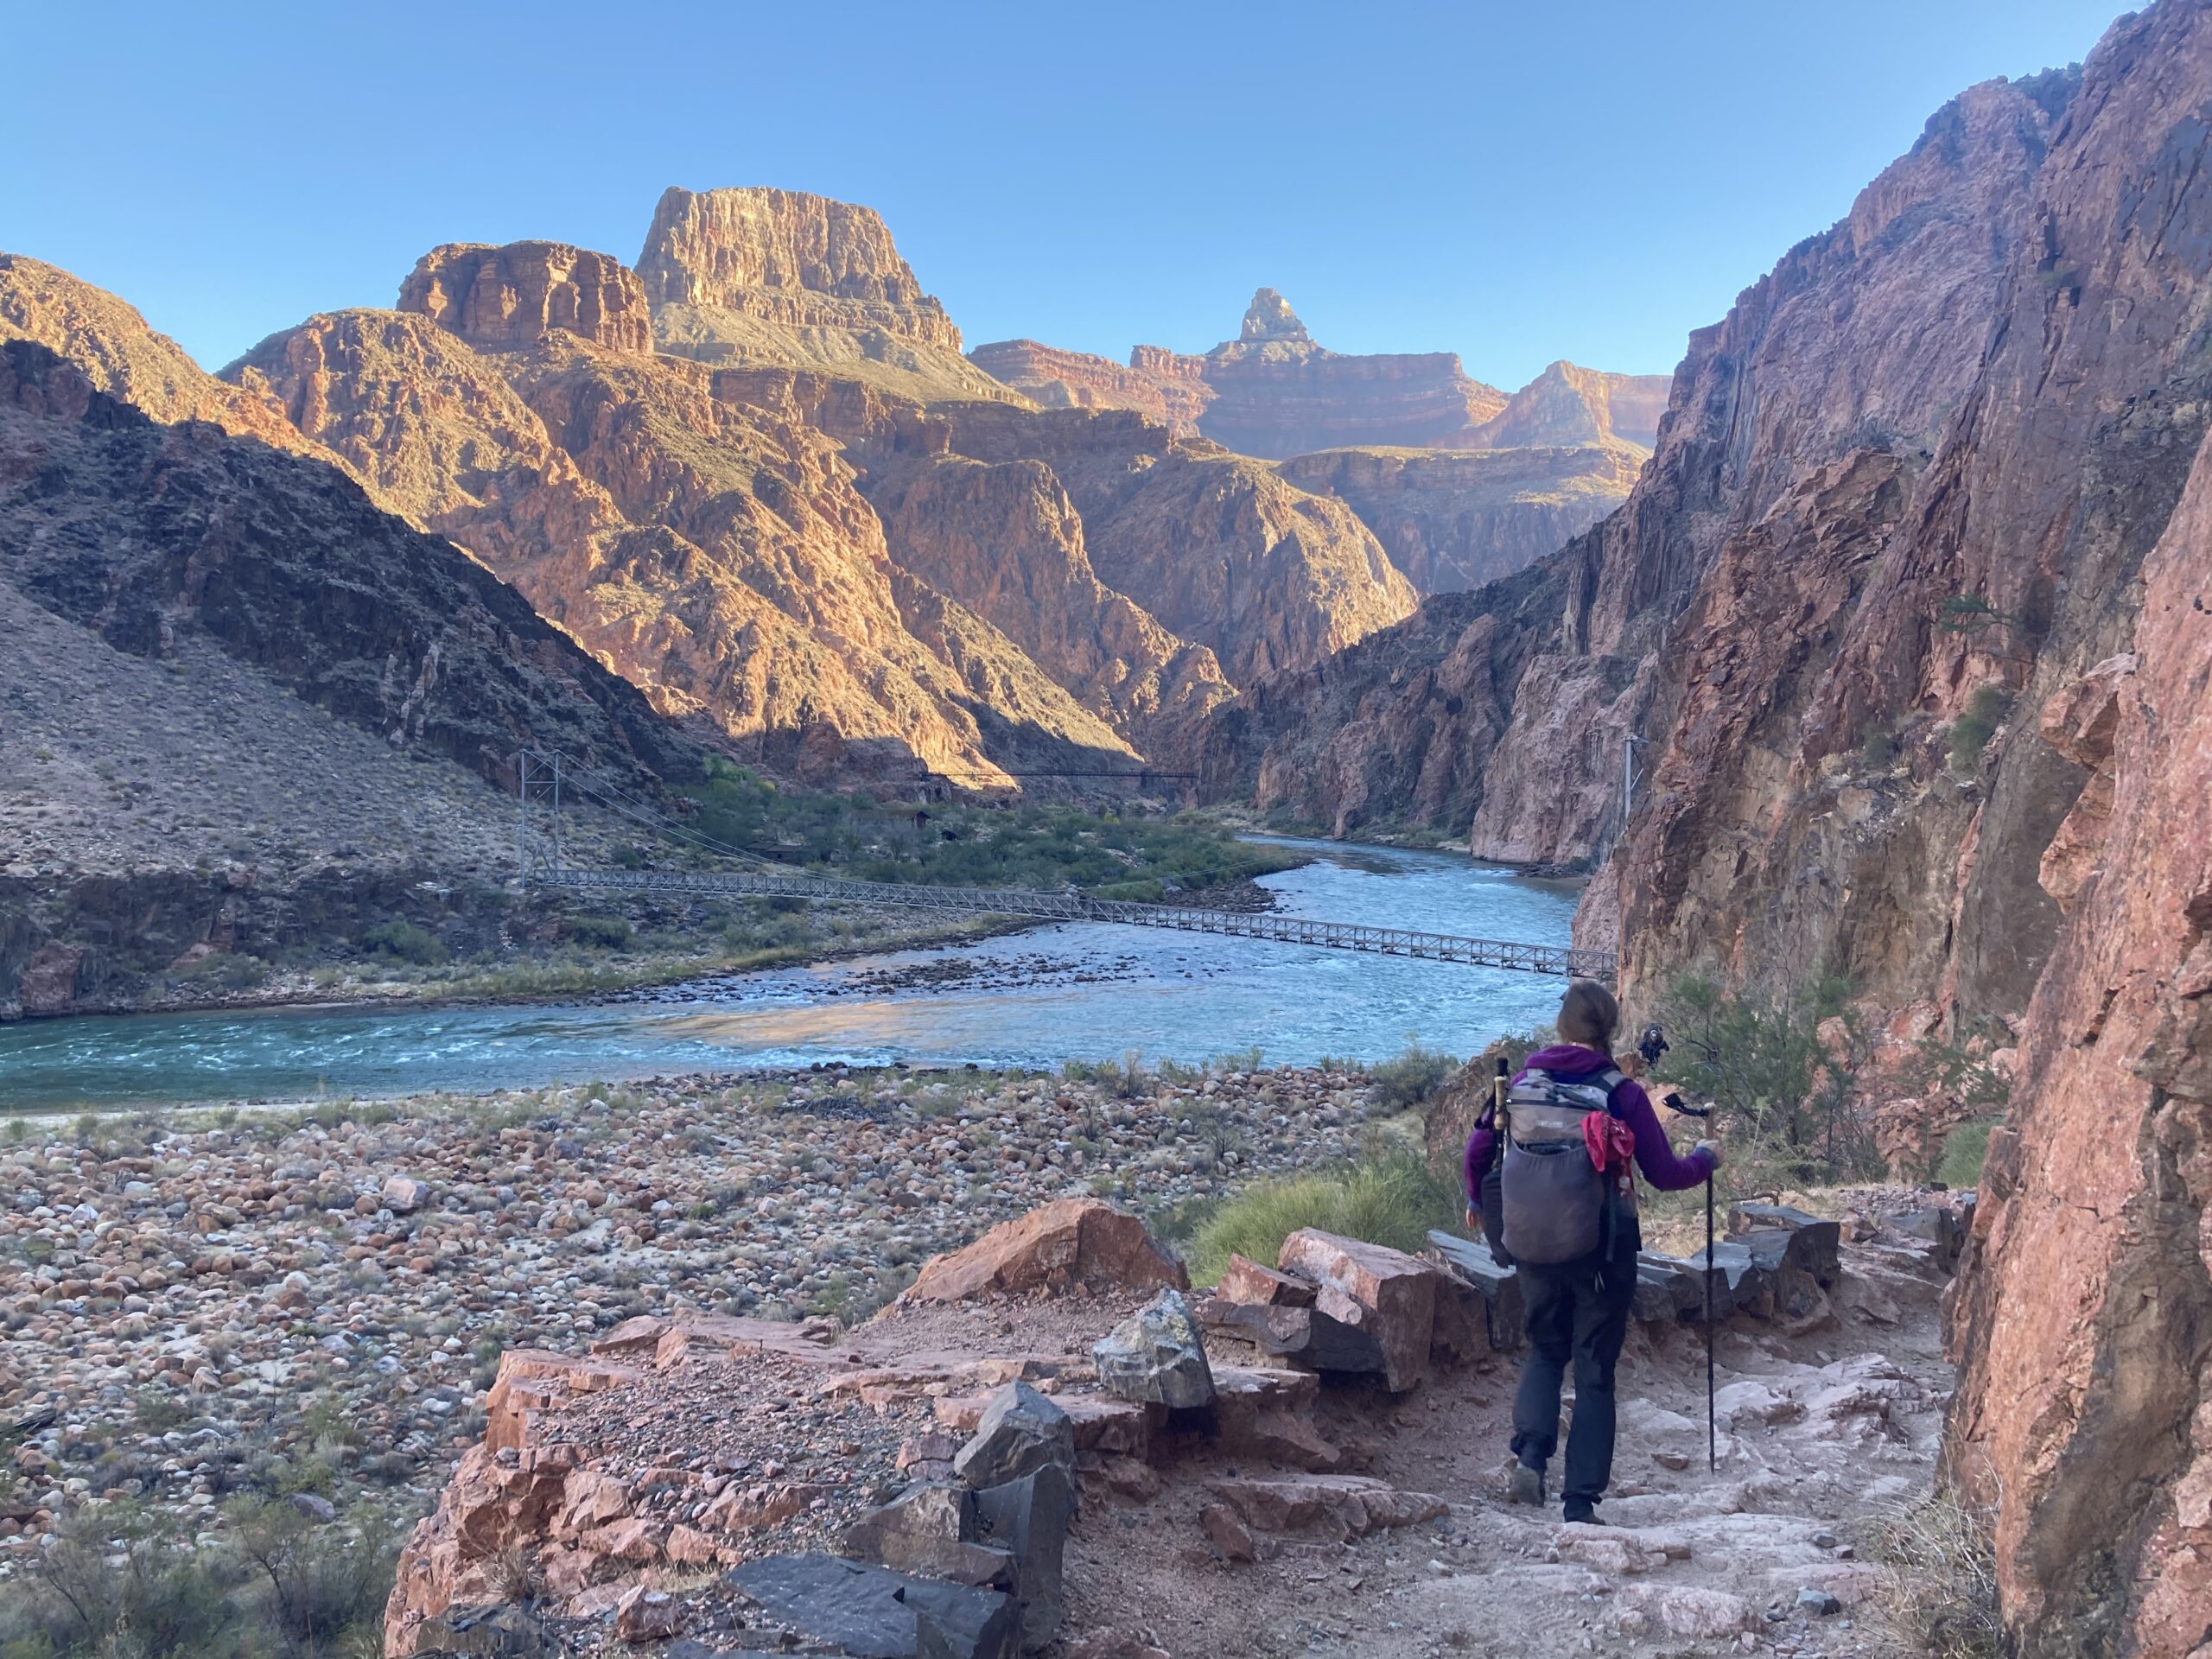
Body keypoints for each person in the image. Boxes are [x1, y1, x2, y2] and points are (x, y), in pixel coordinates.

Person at [1462, 980, 1721, 1523]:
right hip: (1603, 1249)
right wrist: (1705, 1158)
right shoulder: (1620, 1092)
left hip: (1531, 1240)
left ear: (1563, 1026)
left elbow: (1478, 1149)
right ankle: (1579, 1504)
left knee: (1543, 1348)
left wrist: (1475, 1201)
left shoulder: (1521, 1082)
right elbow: (1665, 1174)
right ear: (1610, 1030)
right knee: (1595, 1369)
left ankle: (1529, 1460)